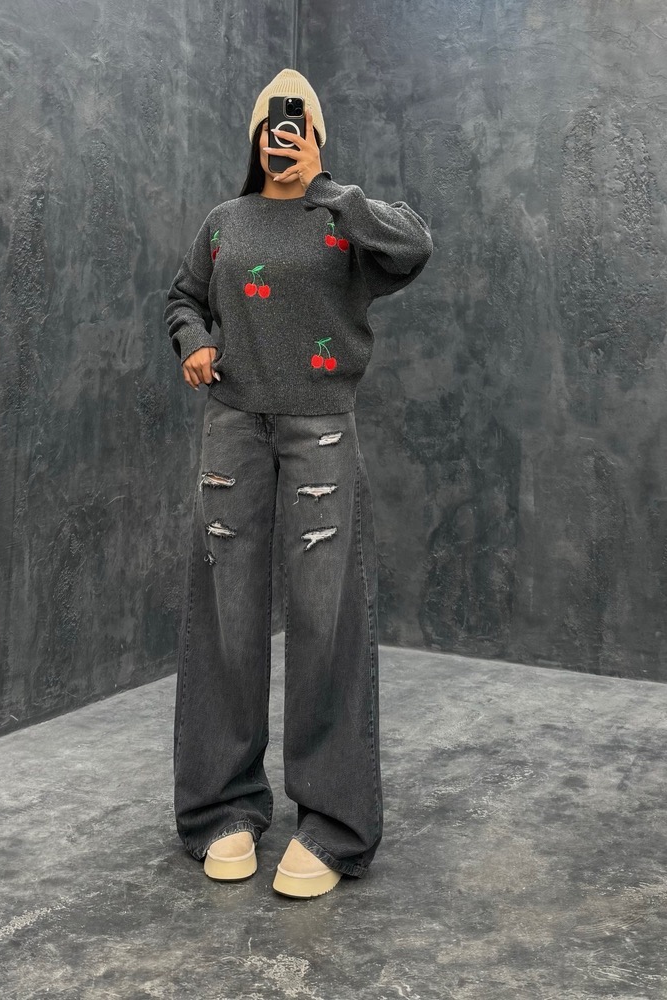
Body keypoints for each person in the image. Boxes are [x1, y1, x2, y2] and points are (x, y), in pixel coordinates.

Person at [164, 67, 433, 898]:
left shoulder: (346, 217)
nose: (283, 135)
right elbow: (183, 298)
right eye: (272, 125)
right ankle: (221, 808)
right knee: (227, 614)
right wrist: (194, 342)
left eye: (299, 122)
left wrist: (329, 187)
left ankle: (333, 822)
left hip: (321, 428)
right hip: (233, 426)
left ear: (316, 132)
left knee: (326, 618)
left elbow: (413, 248)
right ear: (254, 136)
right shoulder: (224, 222)